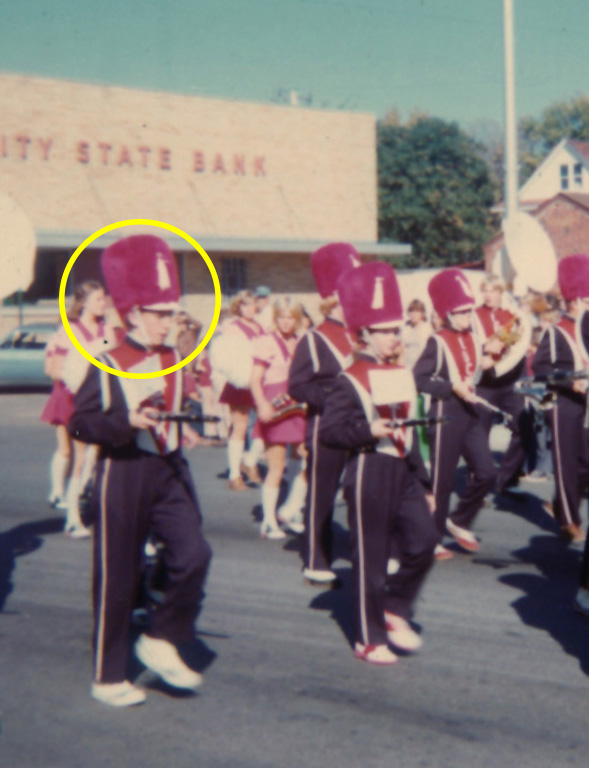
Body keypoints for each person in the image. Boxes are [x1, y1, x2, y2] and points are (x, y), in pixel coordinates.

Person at [68, 235, 212, 708]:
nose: (169, 322)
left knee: (194, 554)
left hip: (167, 469)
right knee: (118, 574)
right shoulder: (107, 353)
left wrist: (183, 425)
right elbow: (81, 421)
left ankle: (161, 635)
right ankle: (108, 676)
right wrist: (123, 423)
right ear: (133, 312)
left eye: (173, 313)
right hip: (123, 470)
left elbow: (172, 401)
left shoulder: (174, 354)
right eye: (158, 313)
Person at [320, 262, 437, 665]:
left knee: (424, 542)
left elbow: (414, 434)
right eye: (385, 330)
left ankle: (393, 607)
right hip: (370, 468)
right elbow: (330, 432)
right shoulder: (348, 378)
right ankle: (368, 638)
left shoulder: (402, 372)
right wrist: (369, 430)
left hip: (403, 469)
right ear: (364, 334)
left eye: (397, 328)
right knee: (370, 558)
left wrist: (424, 483)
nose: (394, 337)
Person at [413, 269, 498, 560]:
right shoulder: (437, 341)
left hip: (470, 413)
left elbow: (473, 372)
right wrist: (452, 387)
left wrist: (486, 362)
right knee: (442, 481)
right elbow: (420, 379)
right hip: (444, 413)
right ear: (448, 314)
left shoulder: (474, 338)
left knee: (487, 471)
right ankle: (431, 538)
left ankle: (459, 520)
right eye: (461, 312)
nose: (466, 316)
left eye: (468, 311)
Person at [288, 242, 360, 586]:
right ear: (334, 300)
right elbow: (297, 385)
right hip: (325, 425)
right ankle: (316, 557)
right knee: (322, 491)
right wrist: (331, 400)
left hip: (359, 426)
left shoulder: (360, 336)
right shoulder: (315, 339)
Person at [41, 280, 116, 538]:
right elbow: (55, 370)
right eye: (97, 299)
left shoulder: (106, 329)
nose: (102, 303)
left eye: (104, 299)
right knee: (79, 456)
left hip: (98, 398)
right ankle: (73, 517)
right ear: (83, 302)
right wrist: (77, 377)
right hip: (72, 398)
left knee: (93, 455)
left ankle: (81, 497)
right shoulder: (70, 330)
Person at [532, 254, 589, 546]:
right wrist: (570, 381)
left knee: (584, 464)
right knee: (566, 463)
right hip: (563, 404)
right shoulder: (555, 331)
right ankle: (569, 520)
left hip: (586, 405)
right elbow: (540, 370)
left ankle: (559, 504)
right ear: (575, 301)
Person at [250, 297, 307, 539]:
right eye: (282, 317)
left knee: (306, 454)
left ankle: (292, 508)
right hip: (275, 403)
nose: (286, 322)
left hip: (297, 402)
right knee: (276, 466)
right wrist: (262, 404)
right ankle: (269, 520)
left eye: (291, 317)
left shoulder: (301, 341)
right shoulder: (266, 342)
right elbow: (254, 380)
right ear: (275, 318)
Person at [473, 274, 532, 493]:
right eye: (485, 290)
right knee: (479, 432)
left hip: (511, 381)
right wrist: (483, 351)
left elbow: (519, 344)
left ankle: (506, 480)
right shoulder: (474, 315)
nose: (488, 295)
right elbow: (470, 344)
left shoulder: (513, 316)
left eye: (493, 290)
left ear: (500, 292)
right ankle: (478, 482)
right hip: (486, 383)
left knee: (523, 426)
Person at [215, 290, 266, 490]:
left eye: (252, 304)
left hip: (259, 381)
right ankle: (234, 475)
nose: (249, 308)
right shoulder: (232, 326)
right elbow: (227, 356)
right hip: (241, 382)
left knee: (267, 422)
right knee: (240, 427)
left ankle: (250, 460)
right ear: (238, 306)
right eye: (244, 305)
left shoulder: (260, 326)